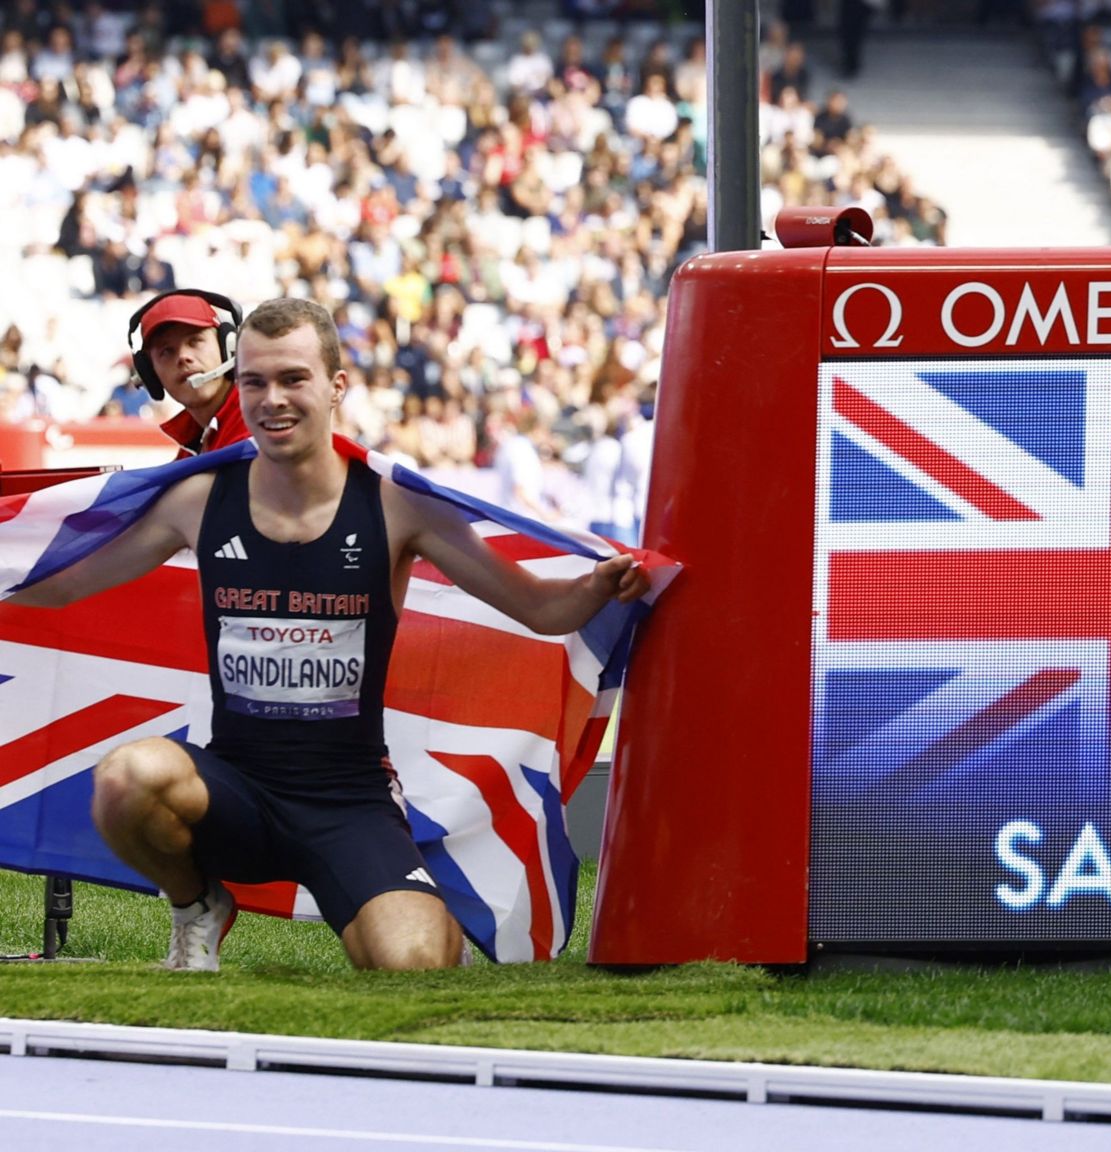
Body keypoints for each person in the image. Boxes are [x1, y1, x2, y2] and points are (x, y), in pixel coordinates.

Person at [9, 298, 650, 971]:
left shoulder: (397, 504)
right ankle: (197, 902)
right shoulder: (198, 500)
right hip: (235, 792)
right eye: (254, 382)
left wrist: (601, 587)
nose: (271, 400)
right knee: (125, 779)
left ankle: (407, 910)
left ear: (336, 387)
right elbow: (63, 583)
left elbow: (542, 611)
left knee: (415, 968)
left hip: (349, 804)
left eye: (293, 379)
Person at [128, 288, 249, 458]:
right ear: (150, 374)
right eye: (166, 351)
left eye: (195, 341)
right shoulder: (192, 444)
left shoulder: (258, 422)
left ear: (229, 347)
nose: (183, 357)